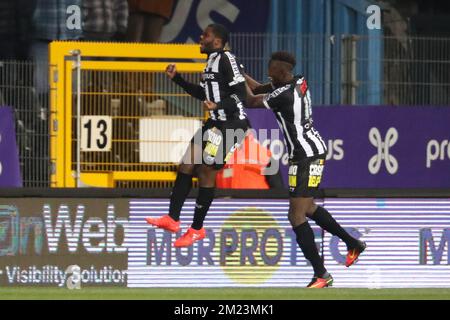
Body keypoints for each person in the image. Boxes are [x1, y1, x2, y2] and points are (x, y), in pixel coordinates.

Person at [244, 51, 366, 288]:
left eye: (271, 73)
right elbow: (259, 88)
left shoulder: (283, 94)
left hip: (305, 156)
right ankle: (353, 243)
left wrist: (232, 79)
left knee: (296, 214)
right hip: (307, 153)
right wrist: (241, 74)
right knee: (308, 207)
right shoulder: (298, 80)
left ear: (280, 73)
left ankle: (321, 274)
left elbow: (251, 101)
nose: (269, 77)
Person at [146, 23, 250, 247]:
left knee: (206, 170)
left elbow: (241, 95)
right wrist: (178, 79)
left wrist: (218, 104)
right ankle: (173, 219)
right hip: (215, 123)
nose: (201, 37)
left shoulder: (226, 59)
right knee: (186, 163)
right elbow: (204, 93)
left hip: (232, 125)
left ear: (217, 41)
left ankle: (196, 229)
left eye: (206, 35)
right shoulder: (210, 61)